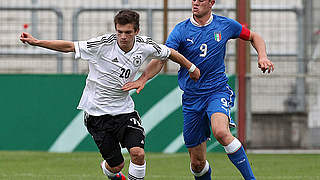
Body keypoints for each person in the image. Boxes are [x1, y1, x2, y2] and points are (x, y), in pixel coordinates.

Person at [20, 9, 200, 180]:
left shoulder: (145, 45)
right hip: (97, 114)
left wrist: (189, 68)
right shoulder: (102, 44)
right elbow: (69, 46)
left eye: (128, 32)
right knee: (116, 166)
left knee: (138, 153)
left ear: (136, 31)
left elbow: (169, 54)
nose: (123, 36)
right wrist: (37, 42)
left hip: (124, 111)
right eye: (119, 32)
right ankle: (110, 170)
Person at [122, 1, 275, 180]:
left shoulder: (225, 25)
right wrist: (143, 78)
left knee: (221, 132)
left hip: (217, 91)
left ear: (211, 3)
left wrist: (262, 56)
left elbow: (254, 37)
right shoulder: (181, 30)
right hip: (192, 98)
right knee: (197, 163)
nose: (195, 3)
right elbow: (163, 57)